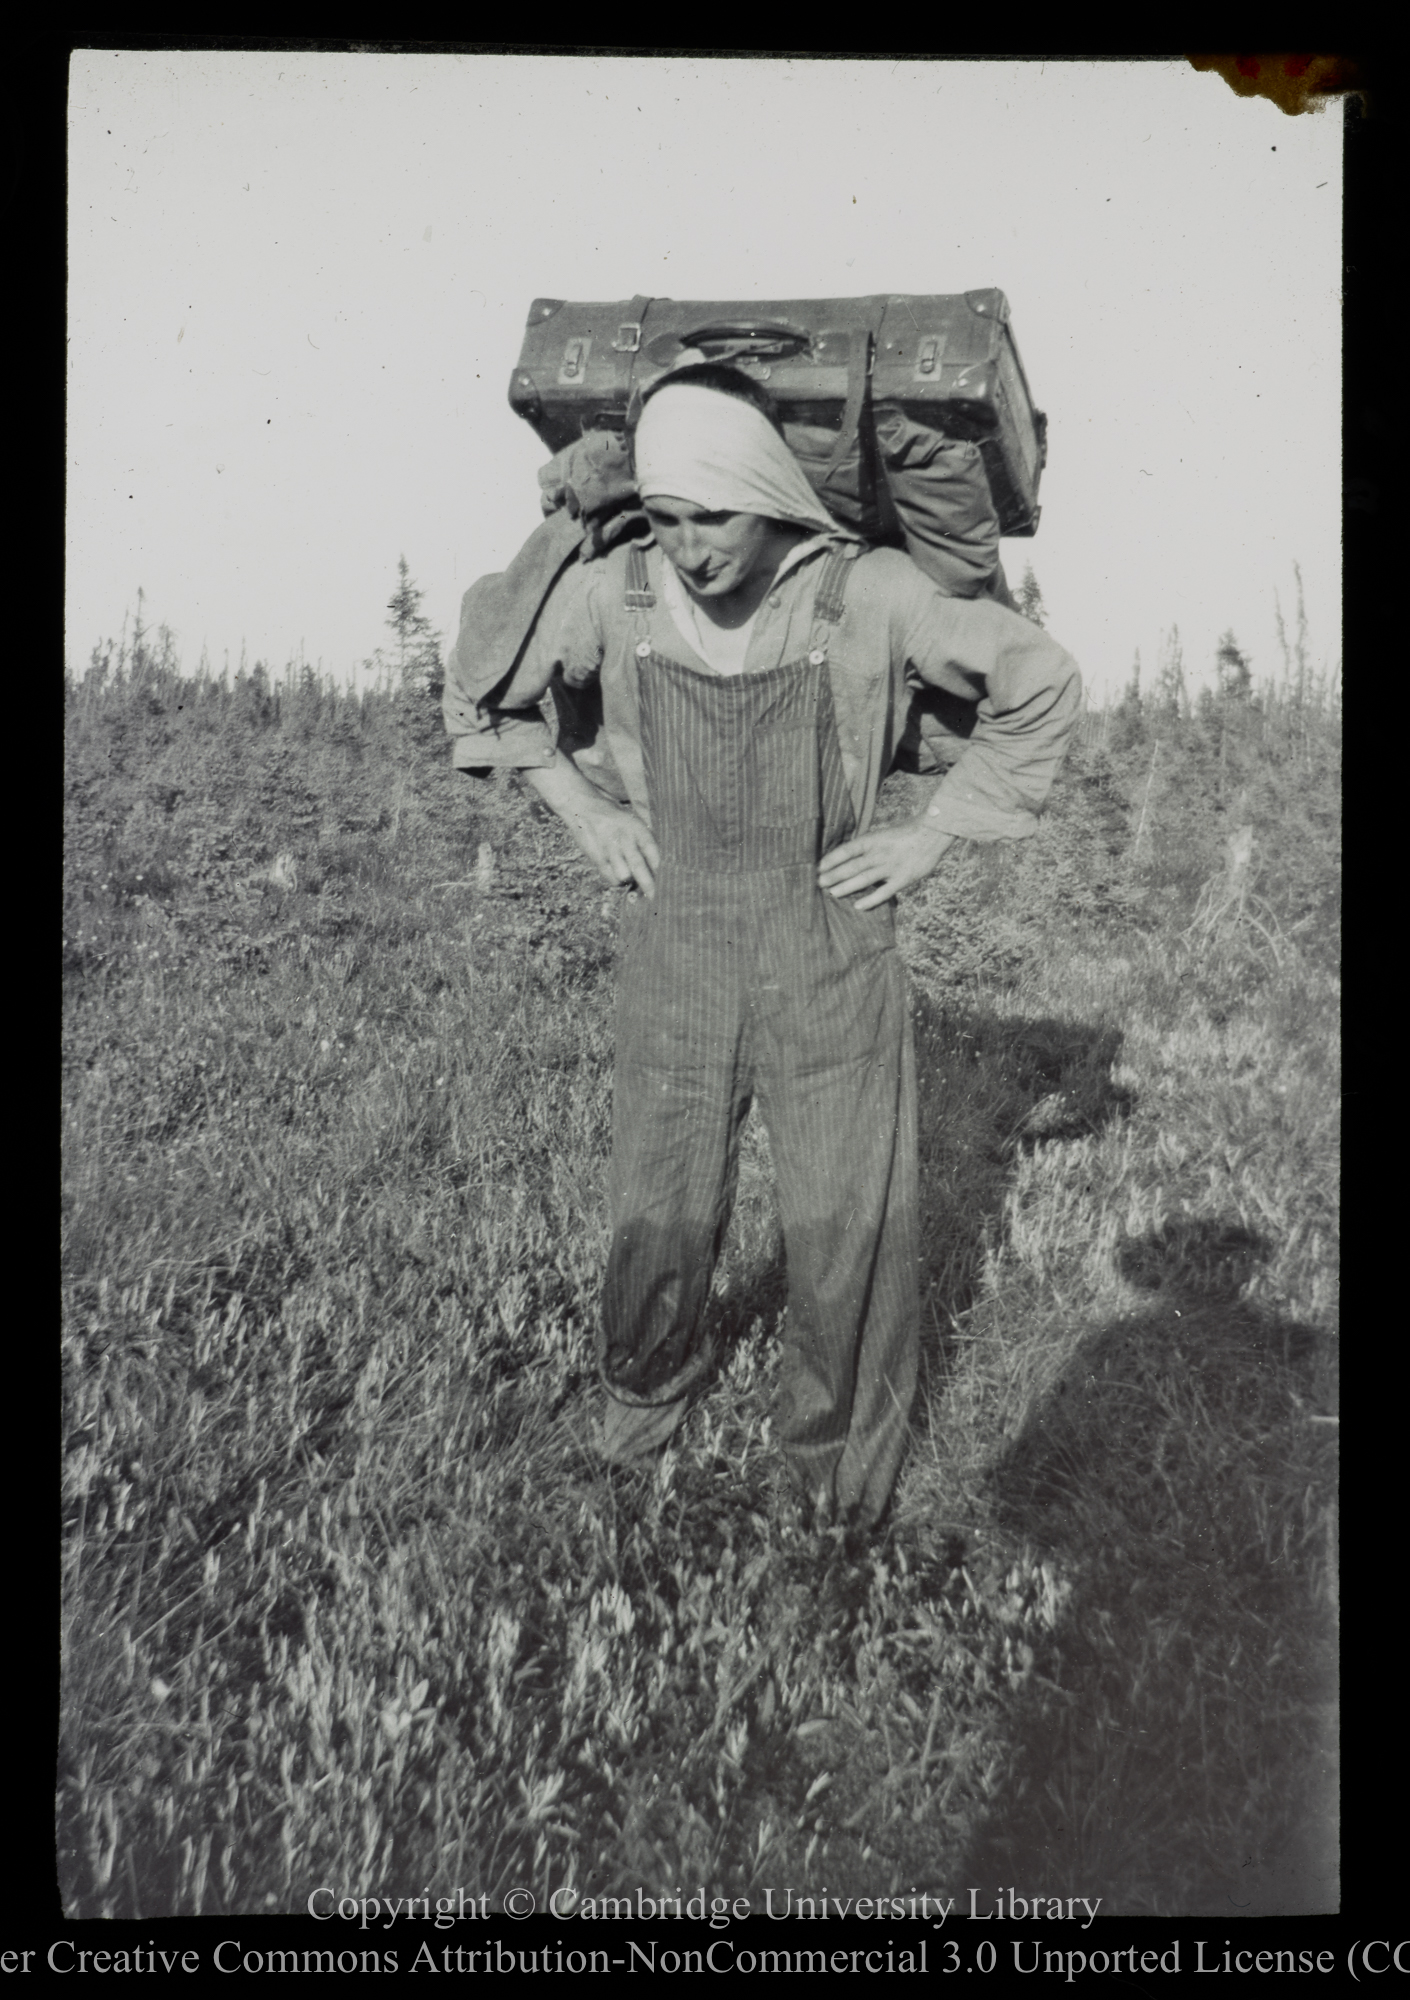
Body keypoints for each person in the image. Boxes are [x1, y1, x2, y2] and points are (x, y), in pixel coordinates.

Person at [446, 364, 1081, 1535]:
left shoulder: (868, 593)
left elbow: (1036, 679)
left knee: (847, 1212)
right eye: (672, 518)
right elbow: (490, 691)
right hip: (676, 932)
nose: (691, 548)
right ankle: (640, 1409)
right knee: (658, 1191)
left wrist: (930, 837)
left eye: (717, 517)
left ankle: (834, 1477)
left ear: (770, 496)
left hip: (828, 935)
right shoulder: (617, 593)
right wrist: (587, 809)